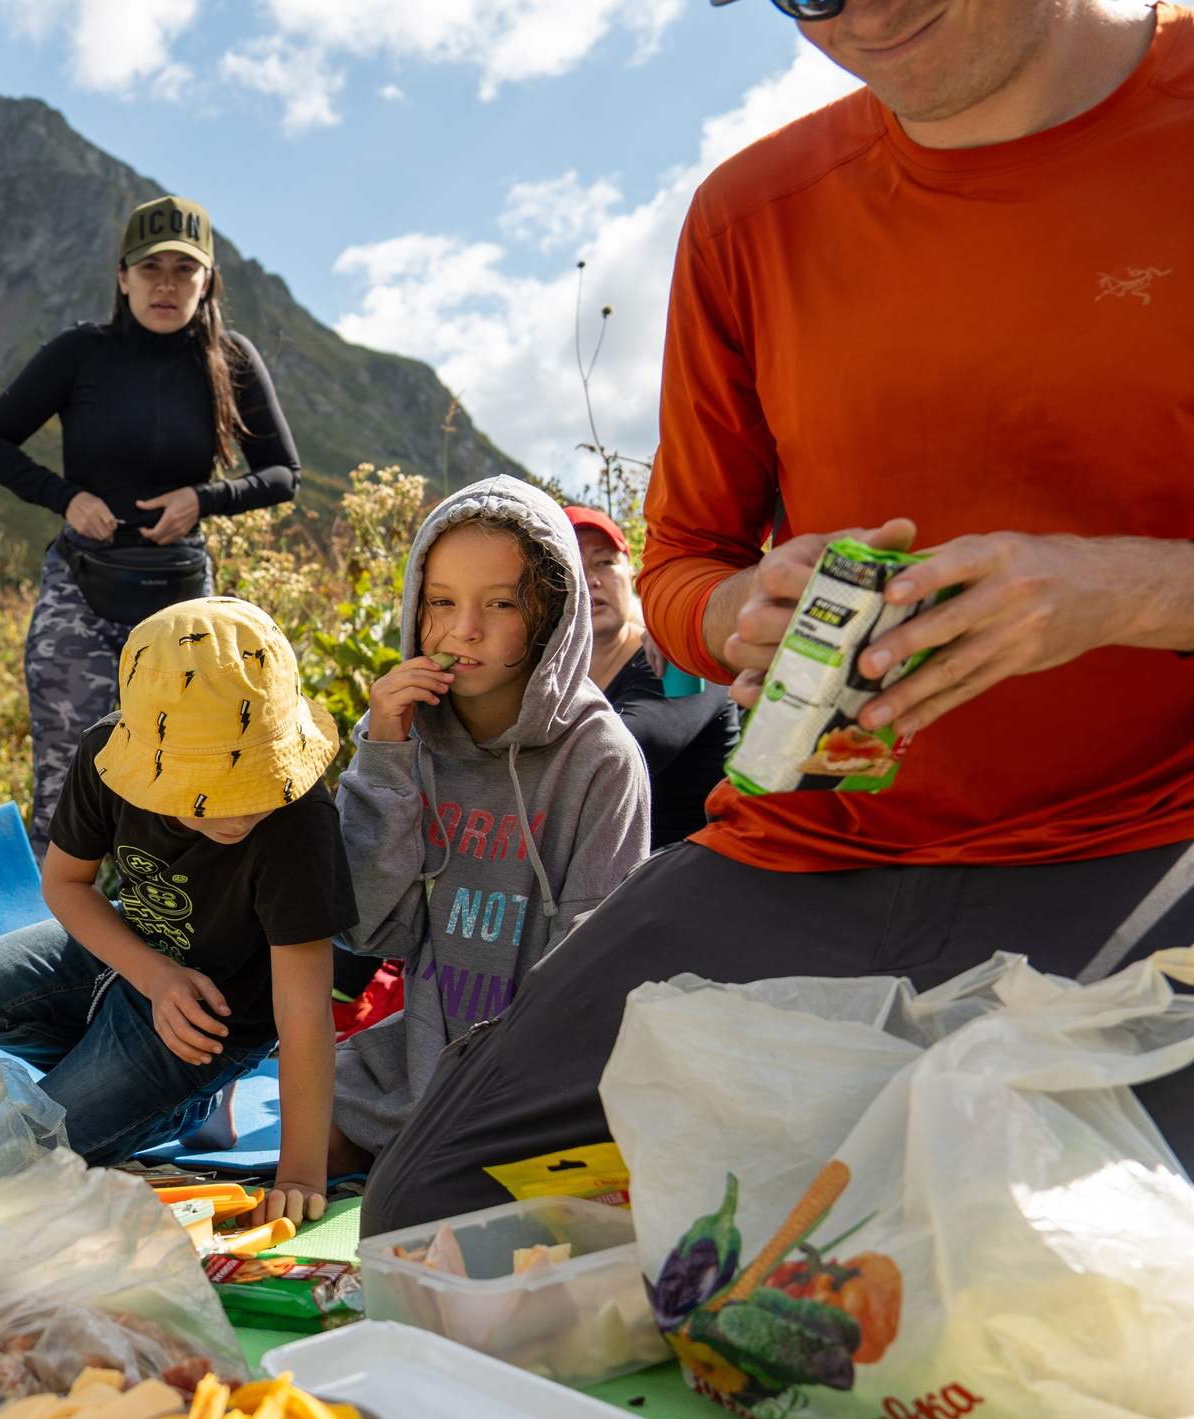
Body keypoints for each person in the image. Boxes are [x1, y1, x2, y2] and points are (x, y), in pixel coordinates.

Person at [361, 0, 1194, 1235]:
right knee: (432, 1220)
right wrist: (748, 606)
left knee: (1052, 1279)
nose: (853, 9)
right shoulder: (754, 213)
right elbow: (680, 569)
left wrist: (1123, 591)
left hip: (1145, 844)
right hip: (811, 856)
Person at [0, 598, 349, 1228]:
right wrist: (154, 977)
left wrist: (298, 1173)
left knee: (12, 1160)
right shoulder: (108, 753)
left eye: (256, 786)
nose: (239, 813)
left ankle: (187, 1095)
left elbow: (305, 1009)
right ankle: (134, 1085)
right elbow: (65, 884)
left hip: (213, 1019)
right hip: (138, 955)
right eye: (212, 795)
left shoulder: (298, 822)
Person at [0, 195, 303, 851]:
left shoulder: (230, 359)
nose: (168, 284)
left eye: (186, 268)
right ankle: (57, 937)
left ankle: (158, 932)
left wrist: (201, 500)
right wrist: (65, 497)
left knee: (184, 778)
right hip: (80, 593)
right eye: (152, 268)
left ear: (209, 281)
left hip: (183, 603)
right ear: (123, 276)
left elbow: (283, 473)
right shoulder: (79, 352)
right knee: (68, 786)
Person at [331, 478, 650, 1165]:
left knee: (423, 1193)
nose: (463, 628)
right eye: (441, 602)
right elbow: (366, 926)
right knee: (299, 1136)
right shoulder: (398, 732)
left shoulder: (600, 759)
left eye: (501, 603)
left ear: (551, 614)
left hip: (537, 1072)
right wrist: (383, 754)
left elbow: (589, 974)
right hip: (413, 1055)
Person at [570, 504, 741, 846]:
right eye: (571, 567)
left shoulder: (676, 655)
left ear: (630, 572)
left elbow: (615, 754)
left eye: (605, 561)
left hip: (687, 872)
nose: (591, 579)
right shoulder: (542, 678)